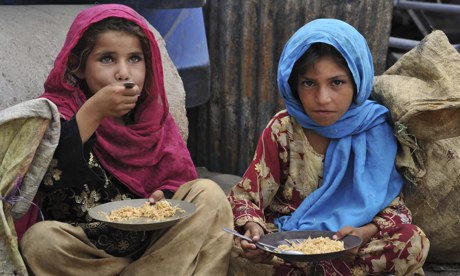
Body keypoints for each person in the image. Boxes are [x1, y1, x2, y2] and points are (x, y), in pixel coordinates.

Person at [19, 4, 233, 275]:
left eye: (134, 58)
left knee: (209, 195)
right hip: (89, 250)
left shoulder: (153, 118)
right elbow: (46, 181)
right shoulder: (57, 112)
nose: (123, 72)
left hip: (157, 244)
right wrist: (92, 113)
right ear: (78, 65)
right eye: (107, 59)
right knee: (40, 241)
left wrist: (164, 196)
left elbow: (177, 181)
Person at [228, 18, 430, 276]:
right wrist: (254, 230)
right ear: (294, 86)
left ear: (357, 81)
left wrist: (361, 234)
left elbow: (394, 210)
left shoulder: (376, 129)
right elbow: (247, 196)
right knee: (235, 246)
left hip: (350, 246)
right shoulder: (283, 129)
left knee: (412, 241)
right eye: (309, 83)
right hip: (289, 243)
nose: (322, 98)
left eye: (337, 82)